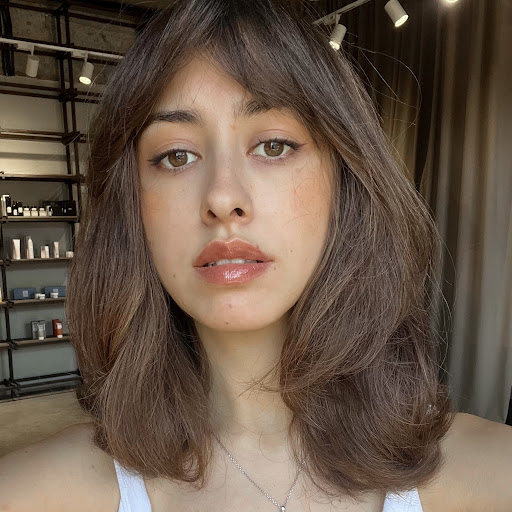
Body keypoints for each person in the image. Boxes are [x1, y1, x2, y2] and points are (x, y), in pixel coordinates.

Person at [1, 0, 511, 511]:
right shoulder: (32, 494)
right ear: (133, 206)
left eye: (273, 146)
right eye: (177, 155)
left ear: (344, 182)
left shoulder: (491, 477)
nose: (223, 198)